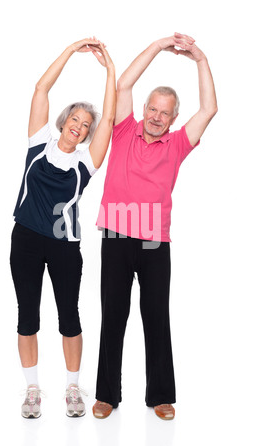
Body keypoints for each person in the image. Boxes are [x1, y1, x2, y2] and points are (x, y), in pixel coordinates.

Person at [93, 33, 217, 420]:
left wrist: (199, 57)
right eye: (153, 109)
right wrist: (160, 45)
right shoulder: (123, 130)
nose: (157, 117)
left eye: (165, 113)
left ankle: (161, 395)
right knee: (113, 315)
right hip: (116, 235)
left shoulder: (178, 144)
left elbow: (210, 109)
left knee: (155, 316)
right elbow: (123, 84)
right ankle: (106, 396)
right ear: (144, 108)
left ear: (173, 118)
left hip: (154, 242)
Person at [10, 38, 116, 419]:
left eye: (85, 125)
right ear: (64, 121)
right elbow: (41, 88)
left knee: (69, 316)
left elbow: (109, 119)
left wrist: (109, 70)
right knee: (27, 315)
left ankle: (73, 389)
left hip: (64, 247)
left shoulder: (85, 164)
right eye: (75, 120)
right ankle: (33, 390)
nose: (80, 126)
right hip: (25, 239)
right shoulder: (39, 142)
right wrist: (71, 51)